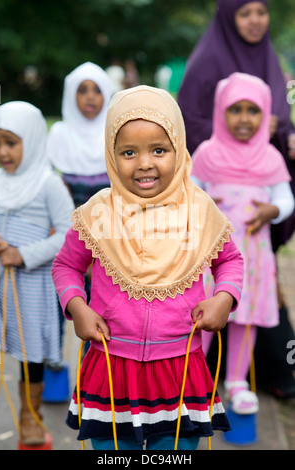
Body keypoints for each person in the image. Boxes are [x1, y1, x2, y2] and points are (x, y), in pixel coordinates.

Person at [52, 85, 244, 451]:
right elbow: (66, 266)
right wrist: (78, 307)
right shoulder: (97, 212)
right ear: (111, 154)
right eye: (128, 152)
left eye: (159, 150)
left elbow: (230, 260)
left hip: (179, 366)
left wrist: (224, 298)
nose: (144, 163)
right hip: (111, 365)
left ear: (179, 148)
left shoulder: (199, 210)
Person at [178, 0, 295, 398]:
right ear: (229, 16)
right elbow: (189, 125)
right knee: (206, 305)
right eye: (245, 12)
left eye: (262, 11)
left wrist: (285, 131)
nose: (255, 21)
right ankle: (196, 381)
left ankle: (248, 380)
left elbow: (281, 105)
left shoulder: (270, 60)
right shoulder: (206, 62)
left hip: (255, 230)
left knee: (252, 306)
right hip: (211, 232)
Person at [191, 73, 294, 414]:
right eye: (236, 110)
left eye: (253, 110)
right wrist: (204, 204)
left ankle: (236, 381)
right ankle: (193, 379)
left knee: (246, 318)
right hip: (209, 257)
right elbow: (188, 192)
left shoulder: (270, 157)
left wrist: (273, 209)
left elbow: (285, 196)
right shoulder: (207, 153)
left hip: (252, 255)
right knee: (202, 314)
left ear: (265, 114)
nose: (245, 118)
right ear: (221, 111)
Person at [0, 101, 75, 445]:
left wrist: (23, 254)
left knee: (29, 350)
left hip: (31, 283)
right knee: (3, 342)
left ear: (31, 138)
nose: (2, 152)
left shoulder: (48, 184)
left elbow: (69, 234)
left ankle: (31, 415)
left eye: (11, 142)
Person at [47, 62, 113, 208]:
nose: (90, 97)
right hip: (67, 210)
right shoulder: (60, 132)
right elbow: (46, 173)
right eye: (82, 91)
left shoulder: (114, 131)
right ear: (71, 94)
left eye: (97, 91)